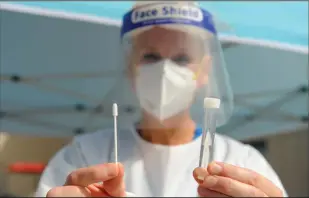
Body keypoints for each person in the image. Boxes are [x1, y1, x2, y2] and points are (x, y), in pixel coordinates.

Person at [36, 2, 287, 197]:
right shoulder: (83, 157)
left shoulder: (243, 163)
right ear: (130, 67)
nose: (165, 71)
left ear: (205, 71)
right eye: (151, 57)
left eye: (181, 58)